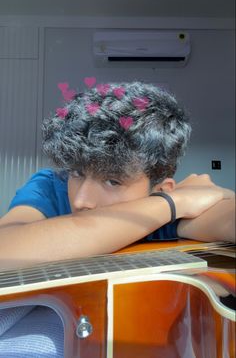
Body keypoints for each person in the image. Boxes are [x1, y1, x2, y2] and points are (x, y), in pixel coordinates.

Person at [0, 81, 235, 357]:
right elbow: (6, 250)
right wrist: (174, 203)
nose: (80, 200)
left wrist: (218, 199)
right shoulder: (50, 186)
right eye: (76, 172)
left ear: (159, 188)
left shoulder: (165, 214)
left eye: (112, 181)